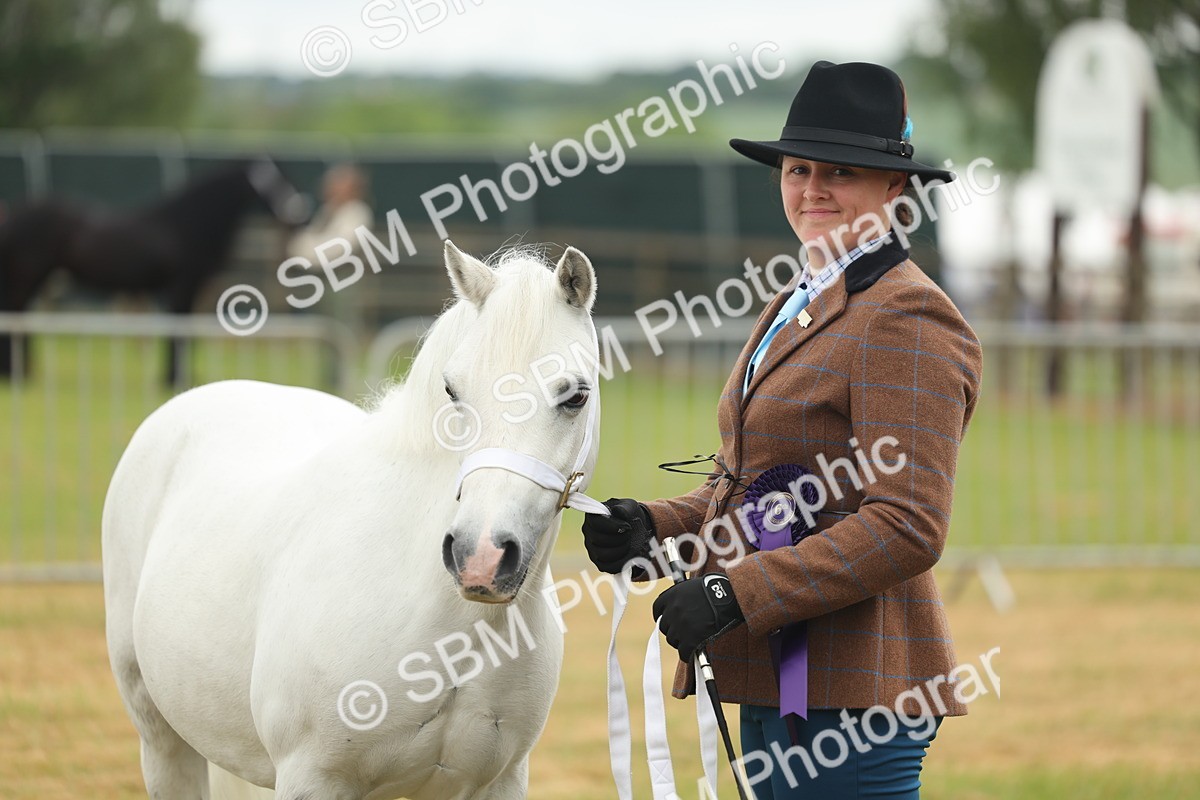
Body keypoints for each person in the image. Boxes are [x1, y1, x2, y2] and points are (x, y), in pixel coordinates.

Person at [582, 61, 983, 799]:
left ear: (894, 189)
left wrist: (737, 592)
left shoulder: (907, 317)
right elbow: (766, 485)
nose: (812, 189)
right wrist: (656, 526)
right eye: (798, 169)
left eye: (841, 171)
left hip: (852, 688)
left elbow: (907, 524)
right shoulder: (796, 298)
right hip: (776, 674)